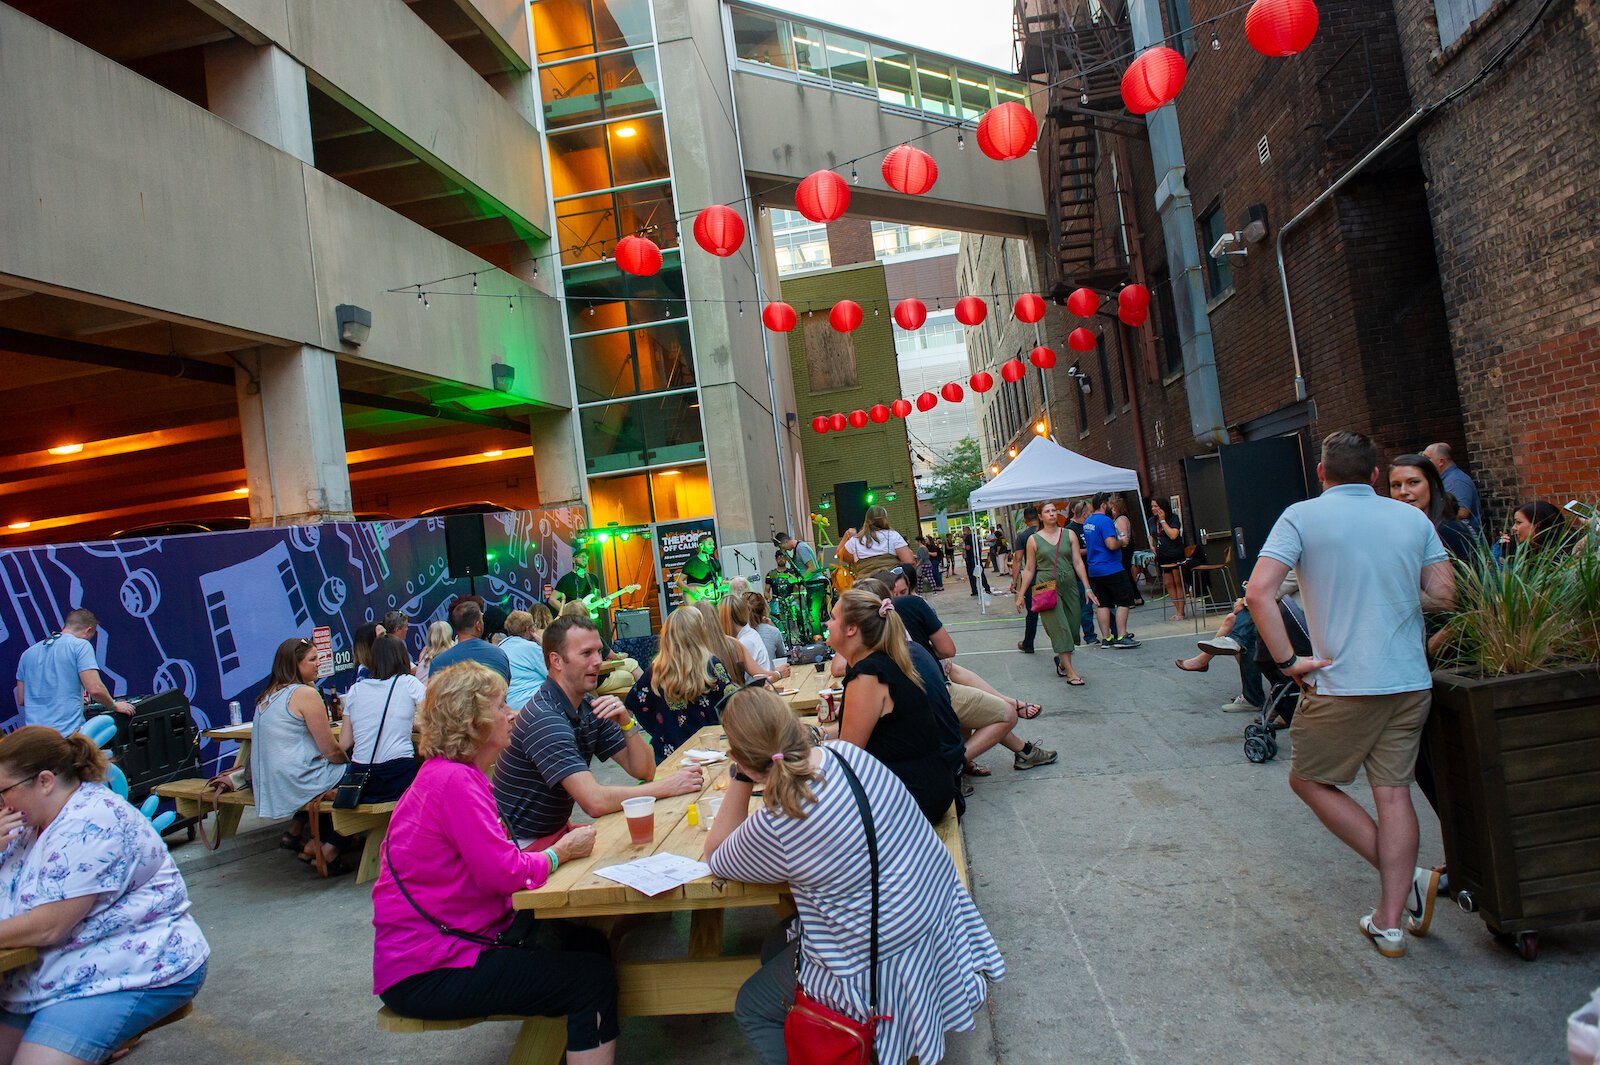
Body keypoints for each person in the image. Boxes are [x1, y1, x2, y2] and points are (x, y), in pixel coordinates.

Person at [705, 688, 1004, 1065]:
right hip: (931, 920)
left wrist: (739, 775)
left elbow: (716, 856)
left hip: (877, 963)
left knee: (752, 1003)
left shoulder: (778, 822)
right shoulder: (848, 755)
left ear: (742, 760)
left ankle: (829, 1036)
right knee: (773, 946)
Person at [1246, 430, 1455, 958]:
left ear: (1321, 473)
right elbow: (1444, 594)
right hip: (1409, 678)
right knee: (1394, 792)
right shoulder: (1410, 518)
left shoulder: (1301, 516)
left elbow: (1257, 592)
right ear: (1376, 475)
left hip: (1342, 681)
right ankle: (1390, 919)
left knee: (1309, 781)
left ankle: (1405, 886)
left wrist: (1289, 661)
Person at [371, 662, 616, 1064]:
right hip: (431, 968)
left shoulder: (450, 775)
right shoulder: (455, 782)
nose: (512, 713)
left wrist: (552, 845)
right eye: (501, 706)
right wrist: (560, 853)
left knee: (588, 943)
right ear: (474, 721)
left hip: (444, 949)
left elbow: (496, 859)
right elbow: (505, 874)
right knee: (591, 978)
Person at [0, 727, 209, 1065]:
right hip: (47, 976)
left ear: (45, 781)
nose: (2, 803)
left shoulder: (92, 820)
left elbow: (47, 927)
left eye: (3, 791)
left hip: (130, 969)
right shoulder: (27, 824)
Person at [493, 617, 702, 850]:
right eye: (586, 654)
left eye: (599, 652)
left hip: (556, 835)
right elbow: (594, 802)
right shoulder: (545, 719)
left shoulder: (586, 705)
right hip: (524, 849)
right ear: (557, 661)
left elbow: (644, 769)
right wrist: (667, 787)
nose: (598, 661)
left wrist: (626, 722)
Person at [860, 572, 1055, 774]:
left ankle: (1018, 748)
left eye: (903, 592)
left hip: (919, 694)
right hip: (926, 696)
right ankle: (954, 764)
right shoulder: (910, 607)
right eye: (895, 593)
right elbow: (947, 650)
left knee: (959, 682)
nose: (898, 597)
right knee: (1001, 713)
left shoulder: (872, 631)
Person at [825, 588, 962, 823]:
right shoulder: (885, 660)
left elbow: (848, 757)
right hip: (930, 785)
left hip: (911, 796)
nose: (828, 623)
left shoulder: (868, 675)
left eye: (834, 618)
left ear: (851, 629)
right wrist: (820, 735)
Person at [252, 638, 350, 869]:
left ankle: (315, 842)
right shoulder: (304, 694)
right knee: (361, 775)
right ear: (295, 664)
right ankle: (331, 845)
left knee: (334, 778)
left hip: (273, 784)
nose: (319, 663)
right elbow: (329, 749)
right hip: (297, 780)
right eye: (312, 659)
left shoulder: (267, 694)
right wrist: (349, 763)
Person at [623, 607, 735, 759]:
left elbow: (635, 703)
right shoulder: (711, 665)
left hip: (669, 753)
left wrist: (660, 729)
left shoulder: (655, 671)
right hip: (710, 750)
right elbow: (732, 702)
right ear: (699, 632)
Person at [13, 609, 133, 737]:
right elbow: (95, 689)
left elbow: (22, 699)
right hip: (66, 735)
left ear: (63, 626)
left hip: (34, 737)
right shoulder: (81, 646)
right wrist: (114, 706)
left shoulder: (27, 654)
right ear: (89, 630)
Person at [1013, 502, 1097, 684]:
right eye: (1047, 511)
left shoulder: (1069, 534)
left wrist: (1087, 587)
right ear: (1041, 517)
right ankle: (1071, 673)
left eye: (1053, 511)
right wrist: (1021, 594)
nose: (1051, 514)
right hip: (1045, 586)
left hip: (1069, 585)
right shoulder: (1033, 539)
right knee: (1060, 628)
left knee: (1074, 627)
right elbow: (1028, 569)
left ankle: (1062, 663)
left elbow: (1078, 562)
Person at [337, 635, 423, 804]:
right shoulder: (409, 683)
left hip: (361, 777)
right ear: (402, 657)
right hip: (397, 774)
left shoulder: (355, 690)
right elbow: (435, 718)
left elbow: (345, 743)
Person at [1084, 494, 1140, 648]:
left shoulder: (1088, 522)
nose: (1110, 505)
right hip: (1111, 567)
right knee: (1124, 600)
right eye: (1109, 502)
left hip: (1094, 569)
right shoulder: (1106, 521)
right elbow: (1111, 544)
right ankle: (1122, 635)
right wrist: (1122, 541)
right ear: (1103, 505)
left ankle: (1106, 638)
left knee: (1103, 604)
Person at [428, 600, 512, 682]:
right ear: (478, 625)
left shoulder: (437, 663)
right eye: (482, 620)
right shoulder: (499, 654)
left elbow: (434, 694)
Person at [838, 507, 917, 583]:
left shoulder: (855, 540)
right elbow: (909, 561)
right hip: (891, 583)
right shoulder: (892, 535)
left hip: (865, 585)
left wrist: (847, 535)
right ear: (885, 518)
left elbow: (840, 555)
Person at [1423, 442, 1482, 536]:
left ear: (1441, 461)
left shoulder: (1456, 481)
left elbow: (1462, 512)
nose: (1424, 462)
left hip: (1462, 540)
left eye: (1427, 458)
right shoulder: (1446, 479)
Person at [500, 610, 550, 712]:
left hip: (508, 706)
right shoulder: (530, 647)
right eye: (533, 625)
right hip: (533, 706)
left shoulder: (501, 646)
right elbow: (555, 674)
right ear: (528, 629)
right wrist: (543, 644)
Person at [719, 594, 779, 678]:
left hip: (756, 689)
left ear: (724, 619)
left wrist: (778, 674)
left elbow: (757, 678)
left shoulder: (744, 642)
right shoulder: (750, 634)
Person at [1010, 507, 1043, 654]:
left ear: (1025, 520)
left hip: (1032, 579)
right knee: (1054, 611)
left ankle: (1028, 644)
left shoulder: (1023, 536)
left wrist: (1014, 580)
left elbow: (1017, 559)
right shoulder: (1046, 533)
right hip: (1049, 577)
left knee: (1032, 613)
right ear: (1039, 517)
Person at [1493, 500, 1568, 565]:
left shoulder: (1559, 552)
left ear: (1537, 523)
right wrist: (1502, 548)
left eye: (1518, 522)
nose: (1513, 528)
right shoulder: (1516, 544)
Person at [1066, 502, 1099, 643]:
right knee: (1086, 606)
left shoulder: (1088, 527)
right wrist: (1091, 549)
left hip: (1094, 570)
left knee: (1101, 603)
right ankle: (1089, 635)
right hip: (1079, 575)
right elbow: (1073, 553)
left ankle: (1113, 632)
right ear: (1084, 515)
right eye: (1089, 513)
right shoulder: (1070, 530)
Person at [1150, 499, 1188, 621]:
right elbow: (1152, 535)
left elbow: (1173, 535)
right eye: (1152, 506)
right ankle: (1177, 610)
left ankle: (1181, 612)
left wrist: (1162, 521)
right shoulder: (1151, 521)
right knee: (1169, 583)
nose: (1154, 508)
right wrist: (1152, 545)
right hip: (1162, 555)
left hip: (1175, 554)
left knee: (1177, 582)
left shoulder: (1173, 518)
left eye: (1156, 506)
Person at [1108, 497, 1145, 609]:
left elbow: (1124, 537)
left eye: (1114, 508)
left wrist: (1118, 542)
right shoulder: (1121, 519)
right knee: (1126, 573)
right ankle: (1136, 597)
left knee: (1125, 574)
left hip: (1124, 549)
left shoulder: (1121, 519)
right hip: (1124, 548)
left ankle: (1131, 599)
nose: (1112, 510)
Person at [675, 536, 725, 603]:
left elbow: (719, 582)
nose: (713, 546)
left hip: (713, 600)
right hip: (697, 602)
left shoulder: (715, 562)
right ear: (701, 545)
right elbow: (679, 582)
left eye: (713, 544)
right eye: (710, 544)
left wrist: (729, 585)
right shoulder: (691, 563)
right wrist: (690, 590)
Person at [745, 593, 788, 665]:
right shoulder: (773, 632)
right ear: (765, 608)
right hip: (771, 674)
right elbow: (782, 657)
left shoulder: (739, 634)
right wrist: (769, 628)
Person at [961, 528, 992, 596]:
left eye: (964, 531)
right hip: (976, 558)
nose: (963, 533)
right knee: (980, 573)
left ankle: (974, 590)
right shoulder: (975, 537)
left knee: (972, 575)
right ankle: (987, 588)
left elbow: (968, 548)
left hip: (970, 559)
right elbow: (979, 547)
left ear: (967, 531)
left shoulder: (968, 538)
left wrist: (962, 546)